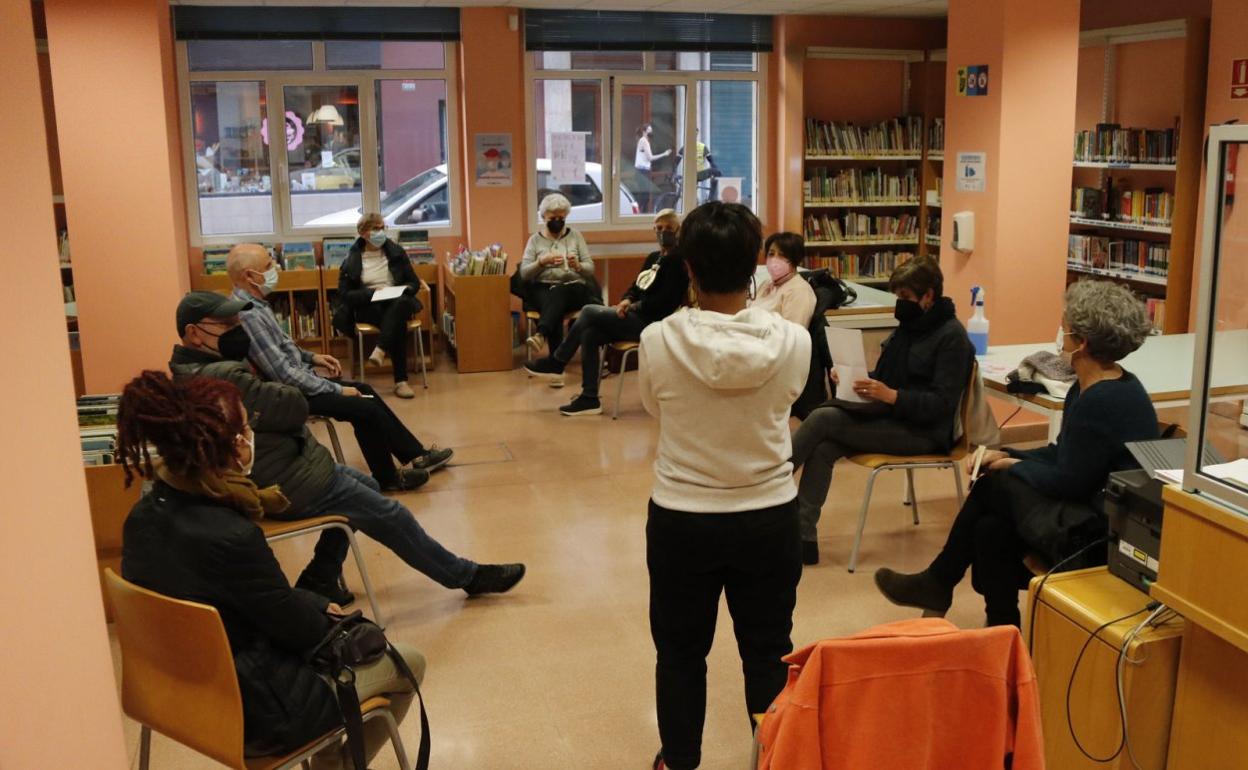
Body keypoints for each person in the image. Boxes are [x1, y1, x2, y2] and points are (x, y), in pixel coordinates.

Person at [117, 370, 425, 766]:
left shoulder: (141, 516)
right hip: (259, 712)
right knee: (409, 662)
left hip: (171, 695)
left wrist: (313, 603)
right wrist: (330, 620)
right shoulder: (233, 535)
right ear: (234, 445)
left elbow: (241, 597)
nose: (253, 436)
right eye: (248, 427)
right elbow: (296, 631)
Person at [169, 291, 526, 605]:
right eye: (227, 324)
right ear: (194, 333)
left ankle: (320, 577)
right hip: (288, 481)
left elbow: (276, 403)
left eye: (238, 321)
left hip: (286, 465)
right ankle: (466, 576)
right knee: (391, 515)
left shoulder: (192, 369)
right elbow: (294, 406)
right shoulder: (222, 377)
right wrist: (278, 393)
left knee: (368, 484)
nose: (238, 330)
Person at [874, 280, 1159, 627]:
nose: (1060, 336)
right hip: (1083, 509)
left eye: (1065, 327)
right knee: (989, 528)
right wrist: (1007, 455)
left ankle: (940, 583)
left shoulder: (1103, 399)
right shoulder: (1092, 386)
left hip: (1099, 534)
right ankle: (1000, 626)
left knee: (994, 485)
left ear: (1082, 342)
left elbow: (1068, 481)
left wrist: (1009, 463)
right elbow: (1063, 456)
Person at [639, 201, 810, 770]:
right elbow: (789, 401)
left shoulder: (658, 340)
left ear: (688, 267)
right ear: (756, 264)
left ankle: (679, 761)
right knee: (768, 651)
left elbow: (655, 408)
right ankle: (772, 759)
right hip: (769, 516)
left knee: (680, 653)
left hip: (682, 517)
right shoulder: (794, 342)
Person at [791, 256, 974, 566]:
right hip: (892, 417)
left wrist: (892, 396)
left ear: (928, 295)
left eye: (905, 296)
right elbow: (888, 377)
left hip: (923, 432)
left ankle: (766, 491)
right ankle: (802, 537)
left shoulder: (953, 338)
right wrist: (856, 379)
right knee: (824, 446)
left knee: (823, 417)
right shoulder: (909, 328)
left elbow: (942, 404)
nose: (899, 303)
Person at [226, 243, 451, 492]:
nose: (274, 269)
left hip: (297, 383)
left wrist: (312, 357)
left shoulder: (257, 305)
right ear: (249, 275)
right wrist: (336, 389)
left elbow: (282, 348)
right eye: (268, 265)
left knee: (365, 391)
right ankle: (389, 477)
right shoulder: (248, 314)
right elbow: (283, 374)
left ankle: (415, 455)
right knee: (363, 406)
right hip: (287, 396)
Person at [523, 208, 688, 415]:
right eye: (659, 228)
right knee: (590, 333)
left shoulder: (679, 262)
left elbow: (664, 302)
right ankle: (589, 398)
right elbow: (636, 287)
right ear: (654, 230)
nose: (664, 233)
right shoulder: (654, 257)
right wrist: (626, 299)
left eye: (669, 228)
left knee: (589, 311)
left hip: (654, 322)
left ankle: (557, 362)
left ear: (678, 230)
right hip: (635, 316)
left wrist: (632, 307)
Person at [331, 213, 427, 398]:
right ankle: (401, 381)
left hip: (397, 301)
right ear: (363, 233)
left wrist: (401, 289)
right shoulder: (352, 259)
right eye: (376, 228)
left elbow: (414, 283)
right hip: (369, 306)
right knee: (396, 322)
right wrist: (371, 293)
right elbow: (345, 295)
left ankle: (381, 349)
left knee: (399, 307)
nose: (381, 232)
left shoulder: (397, 253)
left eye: (383, 228)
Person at [518, 193, 597, 355]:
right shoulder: (534, 240)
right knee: (555, 302)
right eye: (552, 218)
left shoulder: (575, 236)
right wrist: (541, 262)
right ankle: (557, 359)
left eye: (561, 218)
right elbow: (524, 273)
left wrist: (578, 266)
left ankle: (541, 335)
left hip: (574, 288)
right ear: (543, 217)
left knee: (557, 294)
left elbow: (590, 269)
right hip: (543, 288)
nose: (557, 221)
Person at [751, 232, 816, 327]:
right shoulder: (767, 284)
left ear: (795, 259)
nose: (774, 259)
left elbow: (793, 333)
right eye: (771, 254)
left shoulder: (800, 291)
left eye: (782, 255)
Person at [634, 124, 671, 213]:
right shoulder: (644, 141)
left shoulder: (644, 141)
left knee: (644, 196)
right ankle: (638, 214)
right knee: (644, 196)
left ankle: (640, 214)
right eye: (649, 130)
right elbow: (650, 158)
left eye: (651, 130)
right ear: (644, 131)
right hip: (642, 170)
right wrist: (664, 154)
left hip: (642, 170)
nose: (651, 132)